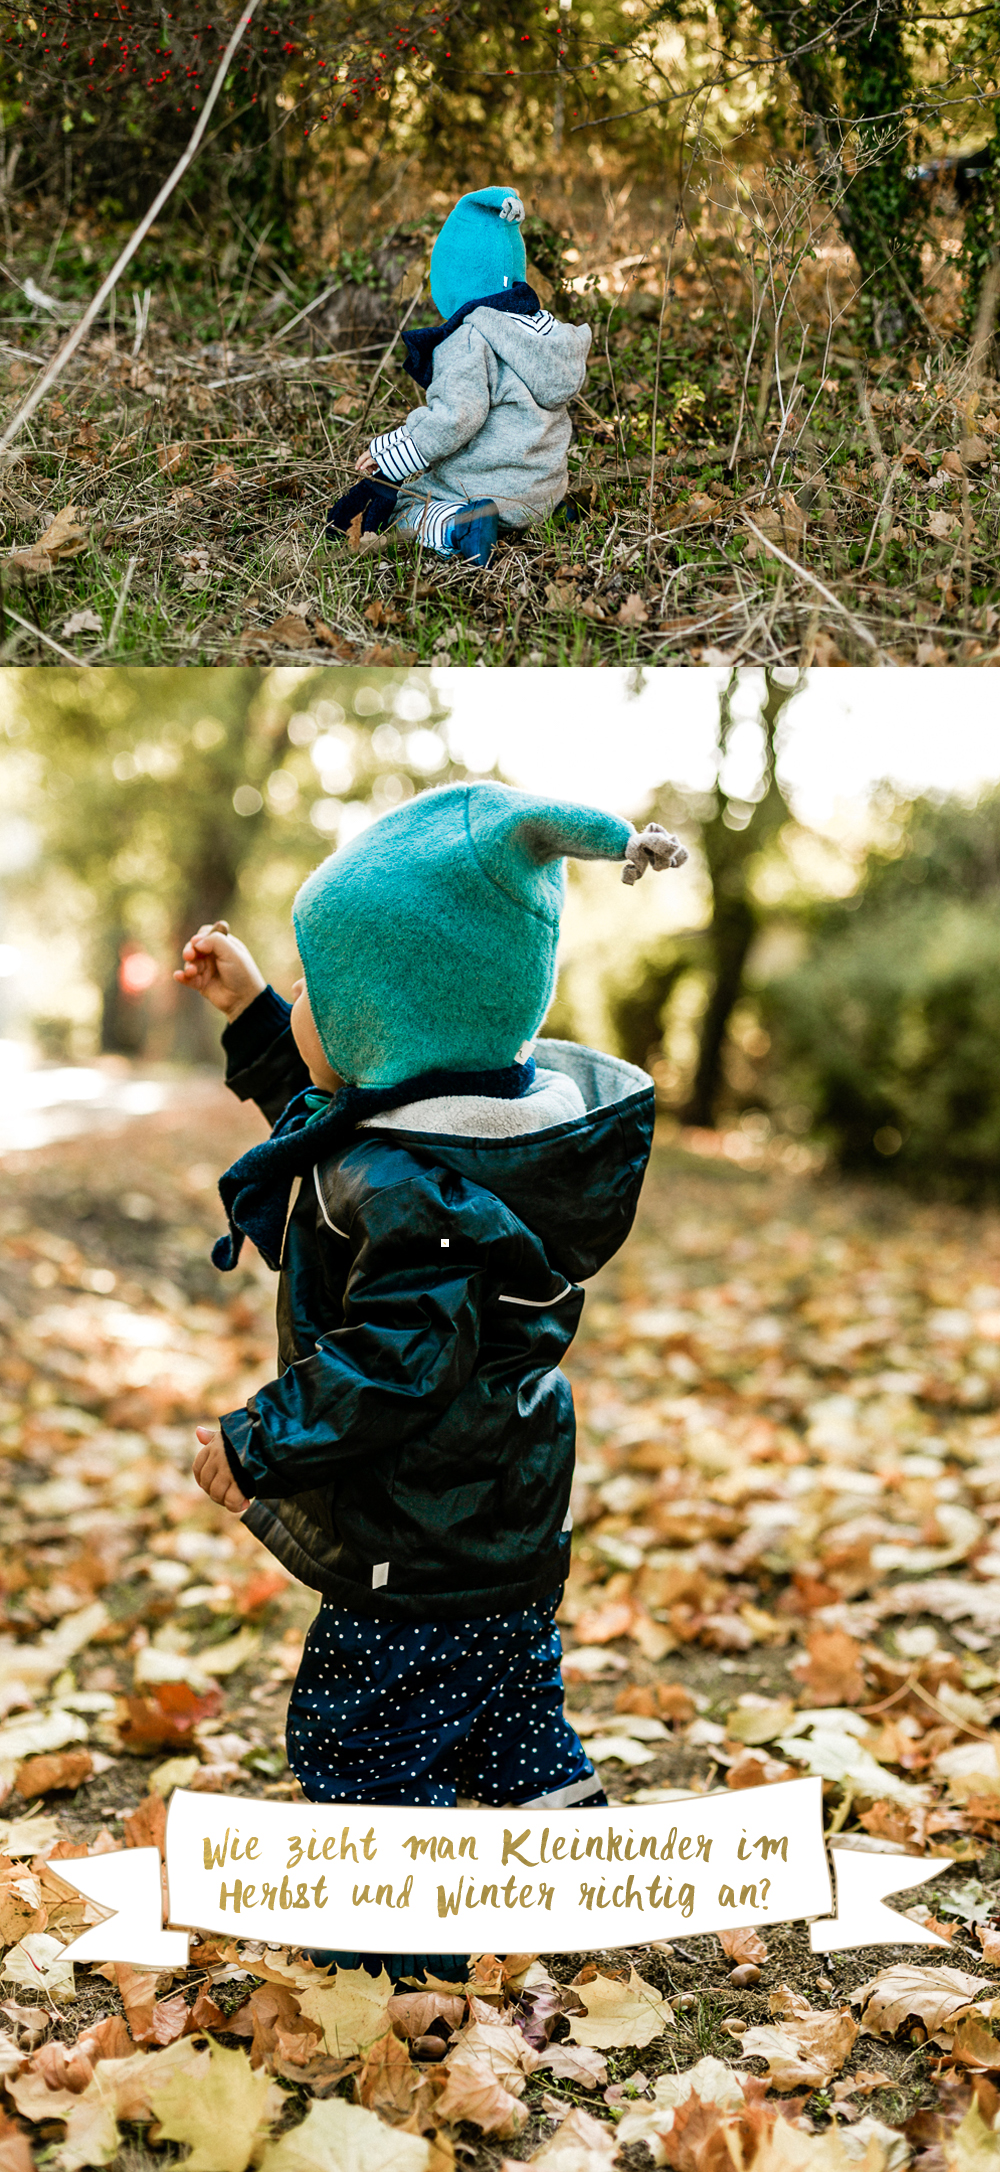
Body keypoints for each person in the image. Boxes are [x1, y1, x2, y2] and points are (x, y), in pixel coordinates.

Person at [175, 780, 686, 1985]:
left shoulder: (414, 1185)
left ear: (379, 1024)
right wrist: (253, 1008)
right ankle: (574, 1865)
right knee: (509, 1718)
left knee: (358, 1737)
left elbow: (393, 1366)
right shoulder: (455, 1129)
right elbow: (321, 1111)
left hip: (420, 1535)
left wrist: (259, 1439)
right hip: (501, 1524)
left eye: (316, 992)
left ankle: (394, 1968)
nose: (303, 1010)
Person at [328, 188, 592, 568]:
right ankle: (548, 514)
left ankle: (461, 528)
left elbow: (456, 417)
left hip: (489, 489)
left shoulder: (470, 339)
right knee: (529, 492)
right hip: (543, 488)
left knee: (407, 506)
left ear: (453, 279)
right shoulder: (545, 332)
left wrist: (393, 453)